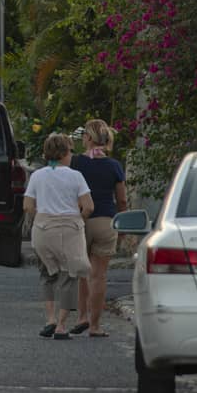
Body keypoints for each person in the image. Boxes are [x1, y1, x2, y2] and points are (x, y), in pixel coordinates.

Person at [23, 132, 94, 339]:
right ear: (64, 153)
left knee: (47, 274)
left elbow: (27, 206)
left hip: (43, 229)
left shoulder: (37, 175)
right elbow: (88, 206)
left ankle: (50, 319)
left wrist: (42, 218)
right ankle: (62, 326)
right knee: (69, 276)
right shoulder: (75, 176)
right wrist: (78, 219)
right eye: (70, 151)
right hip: (69, 228)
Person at [70, 118, 128, 337]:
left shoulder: (76, 163)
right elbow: (121, 200)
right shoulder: (114, 166)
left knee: (82, 274)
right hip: (106, 222)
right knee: (99, 276)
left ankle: (82, 316)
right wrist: (122, 225)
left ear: (87, 138)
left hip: (81, 220)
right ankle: (95, 326)